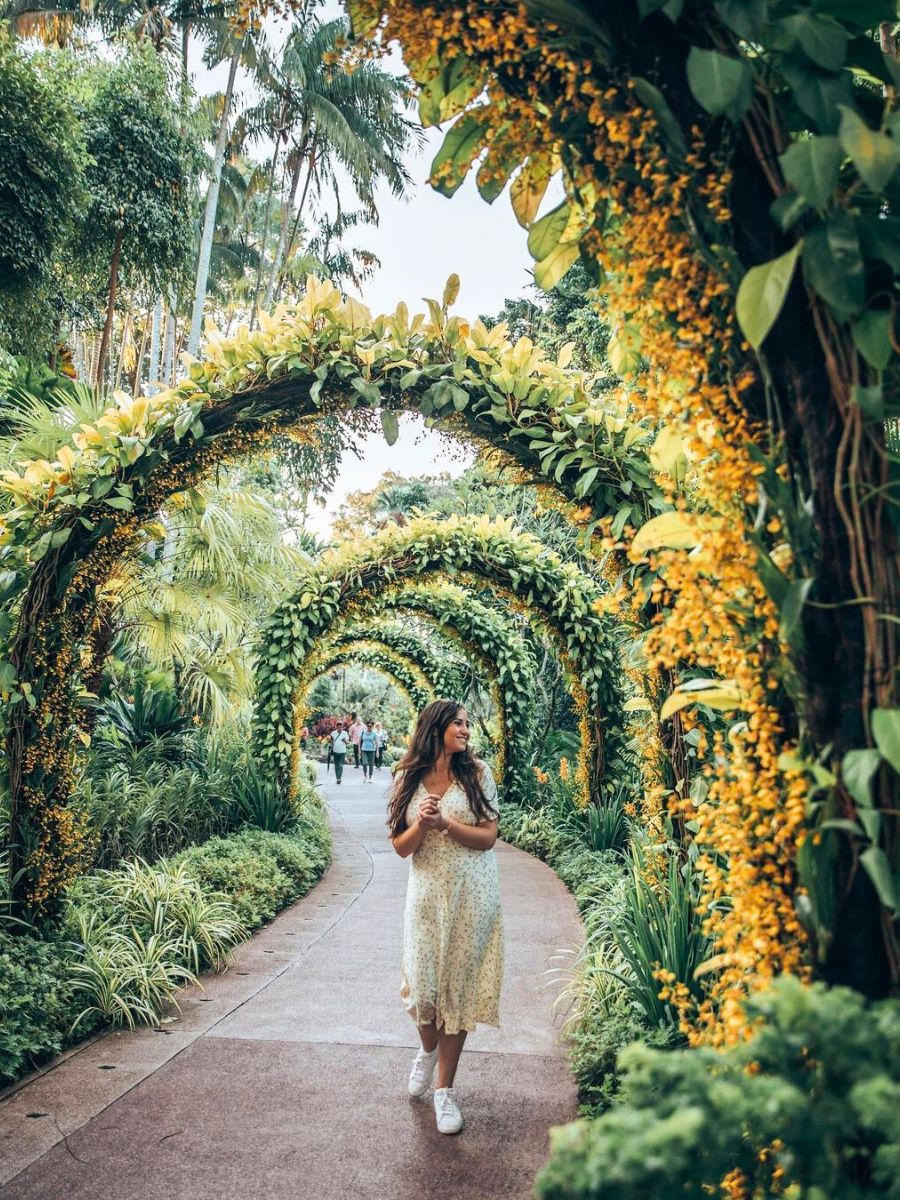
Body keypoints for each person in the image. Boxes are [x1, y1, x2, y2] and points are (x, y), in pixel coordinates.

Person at [387, 699, 503, 1136]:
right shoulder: (408, 777)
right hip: (426, 896)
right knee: (422, 990)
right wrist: (422, 824)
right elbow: (400, 846)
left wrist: (446, 826)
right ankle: (427, 1049)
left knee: (456, 992)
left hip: (473, 896)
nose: (466, 730)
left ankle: (444, 1092)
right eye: (459, 723)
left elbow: (489, 836)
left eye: (468, 724)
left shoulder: (477, 774)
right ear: (436, 728)